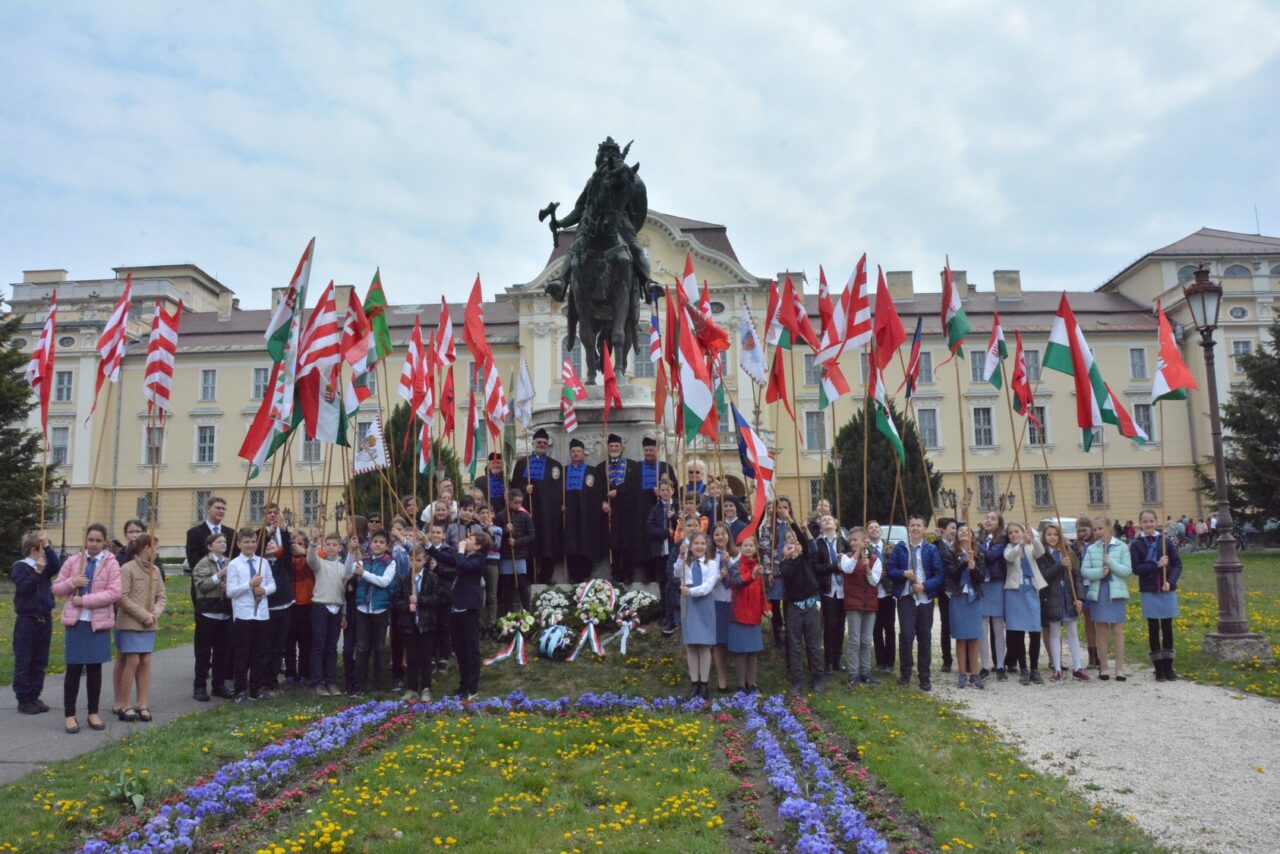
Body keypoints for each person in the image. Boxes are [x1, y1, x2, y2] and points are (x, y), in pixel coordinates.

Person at [53, 524, 121, 733]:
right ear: (85, 541)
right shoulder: (74, 561)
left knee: (94, 669)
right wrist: (73, 581)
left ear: (104, 542)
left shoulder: (111, 563)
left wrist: (85, 601)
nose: (93, 544)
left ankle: (93, 712)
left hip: (98, 622)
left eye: (97, 541)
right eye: (90, 540)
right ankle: (70, 714)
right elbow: (56, 588)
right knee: (73, 668)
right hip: (76, 622)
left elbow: (114, 592)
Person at [427, 529, 489, 700]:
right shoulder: (465, 557)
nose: (465, 540)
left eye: (470, 539)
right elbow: (445, 558)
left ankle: (472, 687)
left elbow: (463, 566)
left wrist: (460, 550)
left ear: (477, 545)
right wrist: (427, 545)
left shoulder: (479, 559)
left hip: (469, 608)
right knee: (460, 649)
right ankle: (463, 685)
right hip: (457, 607)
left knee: (470, 649)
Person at [887, 515, 944, 691]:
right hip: (906, 597)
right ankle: (905, 673)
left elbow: (939, 574)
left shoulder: (931, 549)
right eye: (912, 525)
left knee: (925, 637)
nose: (915, 528)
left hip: (924, 598)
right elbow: (890, 570)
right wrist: (903, 573)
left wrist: (925, 586)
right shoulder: (901, 548)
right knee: (906, 635)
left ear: (924, 529)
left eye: (919, 525)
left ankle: (924, 676)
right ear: (908, 528)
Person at [112, 534, 166, 722]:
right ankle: (124, 704)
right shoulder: (127, 569)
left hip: (149, 622)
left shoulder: (156, 571)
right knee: (132, 660)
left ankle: (142, 703)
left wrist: (154, 615)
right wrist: (143, 615)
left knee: (146, 660)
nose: (157, 551)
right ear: (145, 548)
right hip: (130, 622)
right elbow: (122, 597)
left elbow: (161, 597)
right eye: (156, 548)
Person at [11, 530, 60, 715]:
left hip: (44, 619)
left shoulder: (45, 567)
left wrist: (46, 545)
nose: (46, 553)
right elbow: (24, 588)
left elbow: (56, 565)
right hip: (27, 621)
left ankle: (35, 694)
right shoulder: (20, 567)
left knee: (40, 660)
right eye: (43, 549)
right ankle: (24, 699)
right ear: (33, 550)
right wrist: (37, 573)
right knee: (25, 660)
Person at [1131, 510, 1182, 681]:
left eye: (1151, 521)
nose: (1148, 525)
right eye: (1145, 522)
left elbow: (1177, 564)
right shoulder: (1137, 544)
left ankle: (1169, 666)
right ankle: (1158, 668)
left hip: (1166, 590)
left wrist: (1171, 581)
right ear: (1141, 524)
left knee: (1167, 628)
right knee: (1153, 629)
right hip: (1149, 591)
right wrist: (1156, 565)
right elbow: (1136, 569)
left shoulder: (1165, 541)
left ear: (1156, 522)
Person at [226, 527, 276, 703]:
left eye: (253, 541)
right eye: (246, 542)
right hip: (243, 614)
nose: (250, 545)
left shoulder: (263, 562)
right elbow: (230, 591)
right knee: (242, 653)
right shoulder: (234, 565)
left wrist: (264, 589)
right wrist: (249, 584)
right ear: (239, 544)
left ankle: (256, 688)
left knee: (260, 653)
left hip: (261, 614)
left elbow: (273, 585)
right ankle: (240, 690)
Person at [509, 428, 565, 585]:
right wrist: (523, 490)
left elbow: (558, 489)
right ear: (533, 444)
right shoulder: (522, 463)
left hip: (548, 513)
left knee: (548, 543)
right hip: (528, 511)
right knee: (529, 543)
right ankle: (529, 577)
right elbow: (514, 487)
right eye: (539, 442)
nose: (541, 445)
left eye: (544, 443)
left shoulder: (555, 466)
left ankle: (546, 576)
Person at [1081, 514, 1132, 682]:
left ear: (1109, 528)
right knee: (1101, 631)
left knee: (1117, 631)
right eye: (1095, 529)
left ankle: (1119, 669)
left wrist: (1111, 564)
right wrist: (1099, 572)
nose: (1097, 532)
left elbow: (1126, 571)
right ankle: (1103, 667)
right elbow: (1085, 571)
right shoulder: (1091, 548)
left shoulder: (1121, 547)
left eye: (1100, 529)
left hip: (1115, 593)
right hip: (1099, 592)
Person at [346, 530, 397, 696]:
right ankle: (358, 685)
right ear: (370, 543)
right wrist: (350, 552)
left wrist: (364, 574)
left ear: (387, 545)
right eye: (375, 541)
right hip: (362, 608)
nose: (378, 544)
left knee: (379, 648)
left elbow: (384, 582)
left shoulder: (390, 563)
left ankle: (377, 686)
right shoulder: (363, 560)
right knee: (361, 648)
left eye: (382, 542)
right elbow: (348, 569)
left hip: (380, 609)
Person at [394, 543, 446, 702]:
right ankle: (411, 688)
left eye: (418, 560)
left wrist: (420, 600)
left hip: (426, 623)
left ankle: (426, 687)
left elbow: (438, 598)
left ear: (424, 561)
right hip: (409, 625)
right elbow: (396, 600)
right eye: (412, 560)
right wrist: (406, 606)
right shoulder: (403, 579)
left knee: (425, 657)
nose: (414, 563)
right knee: (411, 657)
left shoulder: (432, 578)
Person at [1038, 522, 1087, 683]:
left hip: (1068, 597)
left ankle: (1078, 667)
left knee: (1073, 632)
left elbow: (1077, 576)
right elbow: (1044, 576)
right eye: (1049, 534)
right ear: (1044, 537)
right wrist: (1060, 565)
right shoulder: (1042, 555)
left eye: (1055, 534)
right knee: (1055, 633)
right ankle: (1057, 668)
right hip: (1052, 598)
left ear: (1060, 536)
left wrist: (1079, 597)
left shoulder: (1068, 552)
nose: (1052, 537)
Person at [676, 531, 720, 699]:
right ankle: (694, 682)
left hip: (703, 601)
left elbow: (709, 585)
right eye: (696, 544)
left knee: (704, 644)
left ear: (706, 546)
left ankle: (705, 683)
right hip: (688, 603)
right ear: (691, 546)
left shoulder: (711, 564)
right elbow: (676, 573)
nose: (699, 546)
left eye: (702, 543)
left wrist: (692, 591)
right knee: (692, 645)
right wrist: (681, 556)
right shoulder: (686, 562)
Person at [190, 531, 233, 702]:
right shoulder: (203, 564)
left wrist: (228, 586)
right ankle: (199, 686)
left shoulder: (229, 562)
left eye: (224, 541)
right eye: (219, 542)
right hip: (208, 612)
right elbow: (202, 586)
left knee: (221, 652)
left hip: (224, 612)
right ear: (210, 546)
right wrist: (220, 576)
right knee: (204, 653)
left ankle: (219, 684)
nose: (223, 544)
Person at [1002, 523, 1047, 685]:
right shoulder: (1008, 548)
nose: (1014, 535)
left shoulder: (1029, 546)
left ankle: (1035, 668)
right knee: (1018, 631)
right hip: (1014, 591)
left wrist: (1033, 539)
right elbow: (1010, 557)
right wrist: (1020, 544)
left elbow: (1040, 552)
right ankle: (1024, 668)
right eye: (1011, 533)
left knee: (1035, 630)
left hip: (1031, 589)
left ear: (1023, 532)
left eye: (1017, 532)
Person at [779, 530, 823, 694]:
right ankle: (796, 680)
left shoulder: (806, 557)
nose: (793, 543)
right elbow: (788, 574)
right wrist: (792, 557)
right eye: (788, 541)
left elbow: (802, 537)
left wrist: (794, 524)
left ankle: (817, 677)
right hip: (794, 607)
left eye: (795, 540)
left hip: (811, 606)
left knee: (813, 645)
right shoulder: (784, 563)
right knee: (794, 645)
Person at [306, 529, 347, 696]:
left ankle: (331, 681)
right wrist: (313, 543)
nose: (331, 547)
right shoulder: (319, 563)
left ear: (340, 548)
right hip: (320, 607)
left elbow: (345, 593)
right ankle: (317, 681)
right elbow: (310, 560)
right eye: (328, 544)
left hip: (336, 608)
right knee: (319, 645)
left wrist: (344, 614)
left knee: (331, 646)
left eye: (334, 545)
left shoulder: (343, 567)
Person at [840, 526, 882, 688]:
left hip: (870, 604)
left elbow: (874, 581)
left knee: (866, 641)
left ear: (864, 541)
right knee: (854, 640)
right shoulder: (846, 557)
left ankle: (866, 672)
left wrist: (867, 569)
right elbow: (848, 569)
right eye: (851, 540)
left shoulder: (874, 559)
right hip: (853, 604)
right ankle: (853, 674)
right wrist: (857, 553)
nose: (852, 543)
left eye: (855, 540)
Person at [724, 535, 766, 693]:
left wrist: (766, 608)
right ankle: (741, 685)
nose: (748, 548)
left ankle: (752, 683)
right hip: (739, 614)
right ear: (740, 548)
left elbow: (763, 593)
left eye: (751, 545)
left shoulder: (759, 567)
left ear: (755, 549)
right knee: (741, 652)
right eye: (745, 545)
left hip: (754, 614)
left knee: (752, 651)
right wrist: (752, 575)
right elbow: (738, 583)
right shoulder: (734, 566)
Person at [765, 497, 808, 650]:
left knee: (791, 604)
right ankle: (778, 637)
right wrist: (770, 571)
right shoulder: (768, 527)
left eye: (786, 507)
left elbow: (804, 546)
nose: (782, 510)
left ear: (790, 509)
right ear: (775, 510)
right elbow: (766, 550)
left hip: (794, 571)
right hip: (776, 571)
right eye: (780, 507)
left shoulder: (794, 526)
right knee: (776, 605)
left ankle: (793, 636)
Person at [945, 523, 985, 689]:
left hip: (973, 598)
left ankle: (975, 673)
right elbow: (952, 574)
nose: (963, 532)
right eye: (960, 530)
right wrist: (964, 562)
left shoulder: (979, 554)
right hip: (958, 597)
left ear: (972, 536)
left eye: (966, 531)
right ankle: (962, 673)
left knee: (974, 636)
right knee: (961, 637)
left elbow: (981, 578)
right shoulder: (951, 553)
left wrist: (974, 568)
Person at [259, 504, 294, 690]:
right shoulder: (258, 534)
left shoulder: (283, 534)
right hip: (267, 600)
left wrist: (285, 531)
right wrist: (267, 535)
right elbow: (257, 552)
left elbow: (288, 557)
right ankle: (263, 679)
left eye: (275, 513)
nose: (273, 516)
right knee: (266, 644)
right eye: (269, 513)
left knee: (280, 644)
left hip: (284, 596)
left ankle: (273, 679)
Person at [809, 514, 848, 674]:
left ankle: (838, 659)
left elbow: (854, 557)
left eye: (830, 519)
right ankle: (829, 661)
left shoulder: (843, 542)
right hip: (828, 589)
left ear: (836, 524)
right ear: (820, 526)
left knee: (840, 625)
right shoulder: (818, 543)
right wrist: (834, 566)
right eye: (823, 520)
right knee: (830, 625)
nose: (827, 520)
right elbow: (816, 567)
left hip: (843, 590)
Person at [562, 438, 604, 583]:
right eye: (573, 451)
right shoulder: (564, 471)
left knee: (586, 542)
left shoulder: (592, 471)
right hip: (570, 514)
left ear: (584, 453)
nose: (575, 454)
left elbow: (598, 492)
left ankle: (586, 574)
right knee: (572, 543)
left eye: (578, 451)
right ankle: (574, 575)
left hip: (587, 514)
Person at [598, 434, 638, 582]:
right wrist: (602, 502)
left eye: (617, 446)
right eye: (611, 446)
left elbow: (634, 487)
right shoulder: (601, 467)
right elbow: (597, 489)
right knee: (613, 543)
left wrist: (619, 491)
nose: (614, 448)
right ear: (607, 448)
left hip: (627, 511)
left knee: (627, 542)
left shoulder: (632, 466)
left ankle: (628, 574)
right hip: (610, 511)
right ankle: (615, 573)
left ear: (622, 448)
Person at [976, 511, 1009, 681]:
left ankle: (1000, 665)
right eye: (987, 518)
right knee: (982, 628)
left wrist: (975, 544)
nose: (988, 520)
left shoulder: (1002, 539)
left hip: (996, 584)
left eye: (993, 518)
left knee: (998, 627)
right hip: (982, 584)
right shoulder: (980, 537)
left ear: (999, 523)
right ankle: (985, 665)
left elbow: (991, 556)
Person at [646, 479, 680, 634]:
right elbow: (649, 529)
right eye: (662, 490)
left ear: (672, 491)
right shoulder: (655, 509)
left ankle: (674, 614)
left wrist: (673, 518)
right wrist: (665, 533)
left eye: (668, 489)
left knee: (672, 584)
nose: (665, 492)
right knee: (662, 583)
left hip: (674, 551)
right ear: (658, 492)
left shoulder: (677, 506)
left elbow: (683, 524)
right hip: (660, 551)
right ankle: (665, 613)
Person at [495, 491, 536, 614]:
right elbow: (495, 535)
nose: (518, 505)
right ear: (508, 501)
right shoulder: (501, 515)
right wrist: (505, 530)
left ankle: (527, 611)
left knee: (522, 584)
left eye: (520, 502)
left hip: (520, 555)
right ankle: (508, 612)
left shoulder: (525, 516)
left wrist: (517, 542)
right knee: (507, 585)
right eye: (515, 502)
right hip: (506, 556)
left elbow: (532, 534)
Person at [709, 523, 737, 693]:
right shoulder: (709, 556)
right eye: (716, 534)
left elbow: (741, 576)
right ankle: (722, 681)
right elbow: (707, 580)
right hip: (717, 600)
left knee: (733, 639)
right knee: (719, 643)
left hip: (734, 601)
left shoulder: (736, 554)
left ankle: (742, 680)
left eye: (723, 534)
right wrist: (720, 576)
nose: (720, 537)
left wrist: (730, 563)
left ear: (729, 536)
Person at [286, 530, 314, 686]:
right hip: (289, 603)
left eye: (301, 543)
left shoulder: (310, 558)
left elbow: (321, 554)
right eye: (294, 543)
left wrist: (305, 552)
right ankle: (290, 672)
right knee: (289, 642)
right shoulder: (286, 558)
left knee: (305, 642)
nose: (296, 546)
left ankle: (305, 673)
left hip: (306, 603)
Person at [867, 520, 895, 672]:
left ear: (881, 530)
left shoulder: (889, 547)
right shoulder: (866, 549)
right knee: (876, 628)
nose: (874, 529)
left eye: (876, 527)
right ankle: (880, 661)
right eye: (870, 528)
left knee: (889, 628)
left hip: (888, 592)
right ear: (867, 532)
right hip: (873, 593)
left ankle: (890, 662)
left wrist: (889, 561)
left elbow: (896, 566)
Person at [1073, 515, 1100, 668]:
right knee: (1089, 623)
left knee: (1099, 622)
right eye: (1079, 531)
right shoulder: (1077, 547)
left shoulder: (1097, 545)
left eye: (1084, 530)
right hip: (1083, 587)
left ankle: (1101, 653)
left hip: (1096, 584)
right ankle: (1092, 656)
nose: (1081, 533)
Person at [475, 503, 502, 637]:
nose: (485, 515)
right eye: (482, 513)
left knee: (492, 595)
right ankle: (480, 624)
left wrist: (490, 532)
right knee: (480, 594)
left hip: (492, 563)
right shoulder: (476, 529)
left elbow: (496, 546)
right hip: (479, 563)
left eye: (488, 512)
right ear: (478, 515)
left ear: (492, 515)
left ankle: (491, 624)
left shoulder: (497, 529)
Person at [933, 518, 955, 674]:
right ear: (943, 530)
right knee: (946, 625)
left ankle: (966, 658)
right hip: (944, 590)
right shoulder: (936, 546)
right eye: (952, 528)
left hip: (959, 590)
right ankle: (947, 659)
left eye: (955, 528)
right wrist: (937, 542)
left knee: (961, 624)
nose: (954, 531)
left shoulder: (960, 545)